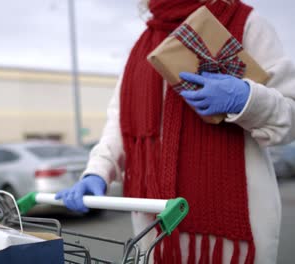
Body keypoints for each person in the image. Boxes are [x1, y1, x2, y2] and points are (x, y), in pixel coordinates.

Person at [55, 0, 295, 263]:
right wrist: (97, 172)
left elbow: (290, 113)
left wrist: (247, 99)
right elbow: (118, 124)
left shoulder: (246, 24)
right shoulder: (143, 45)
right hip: (155, 233)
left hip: (232, 240)